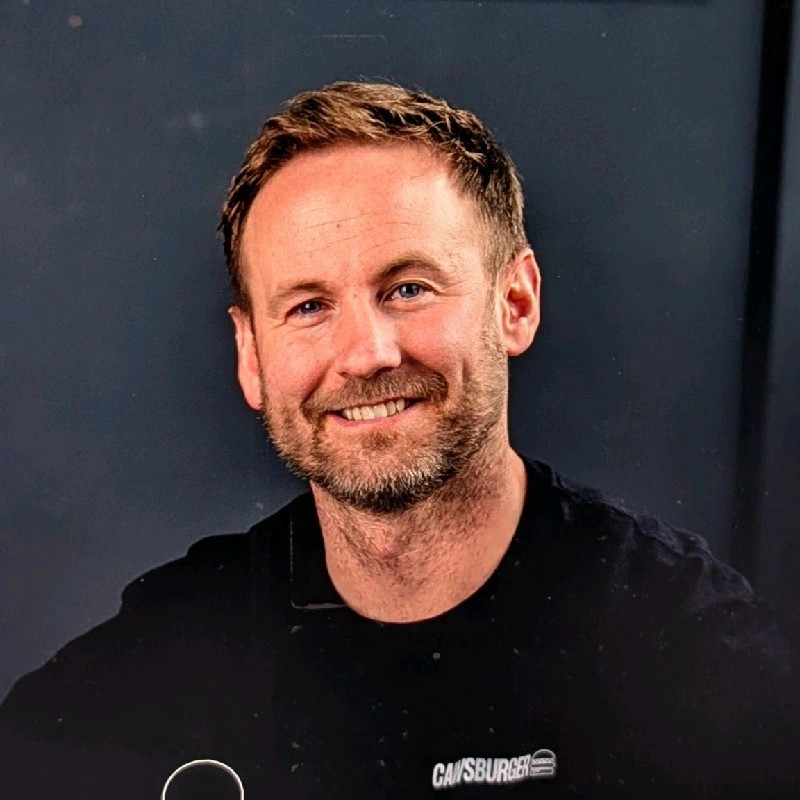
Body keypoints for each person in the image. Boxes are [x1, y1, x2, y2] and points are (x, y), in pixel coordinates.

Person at [1, 81, 798, 799]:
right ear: (250, 354)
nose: (367, 354)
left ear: (514, 303)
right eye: (308, 307)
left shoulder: (691, 656)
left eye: (408, 288)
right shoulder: (166, 656)